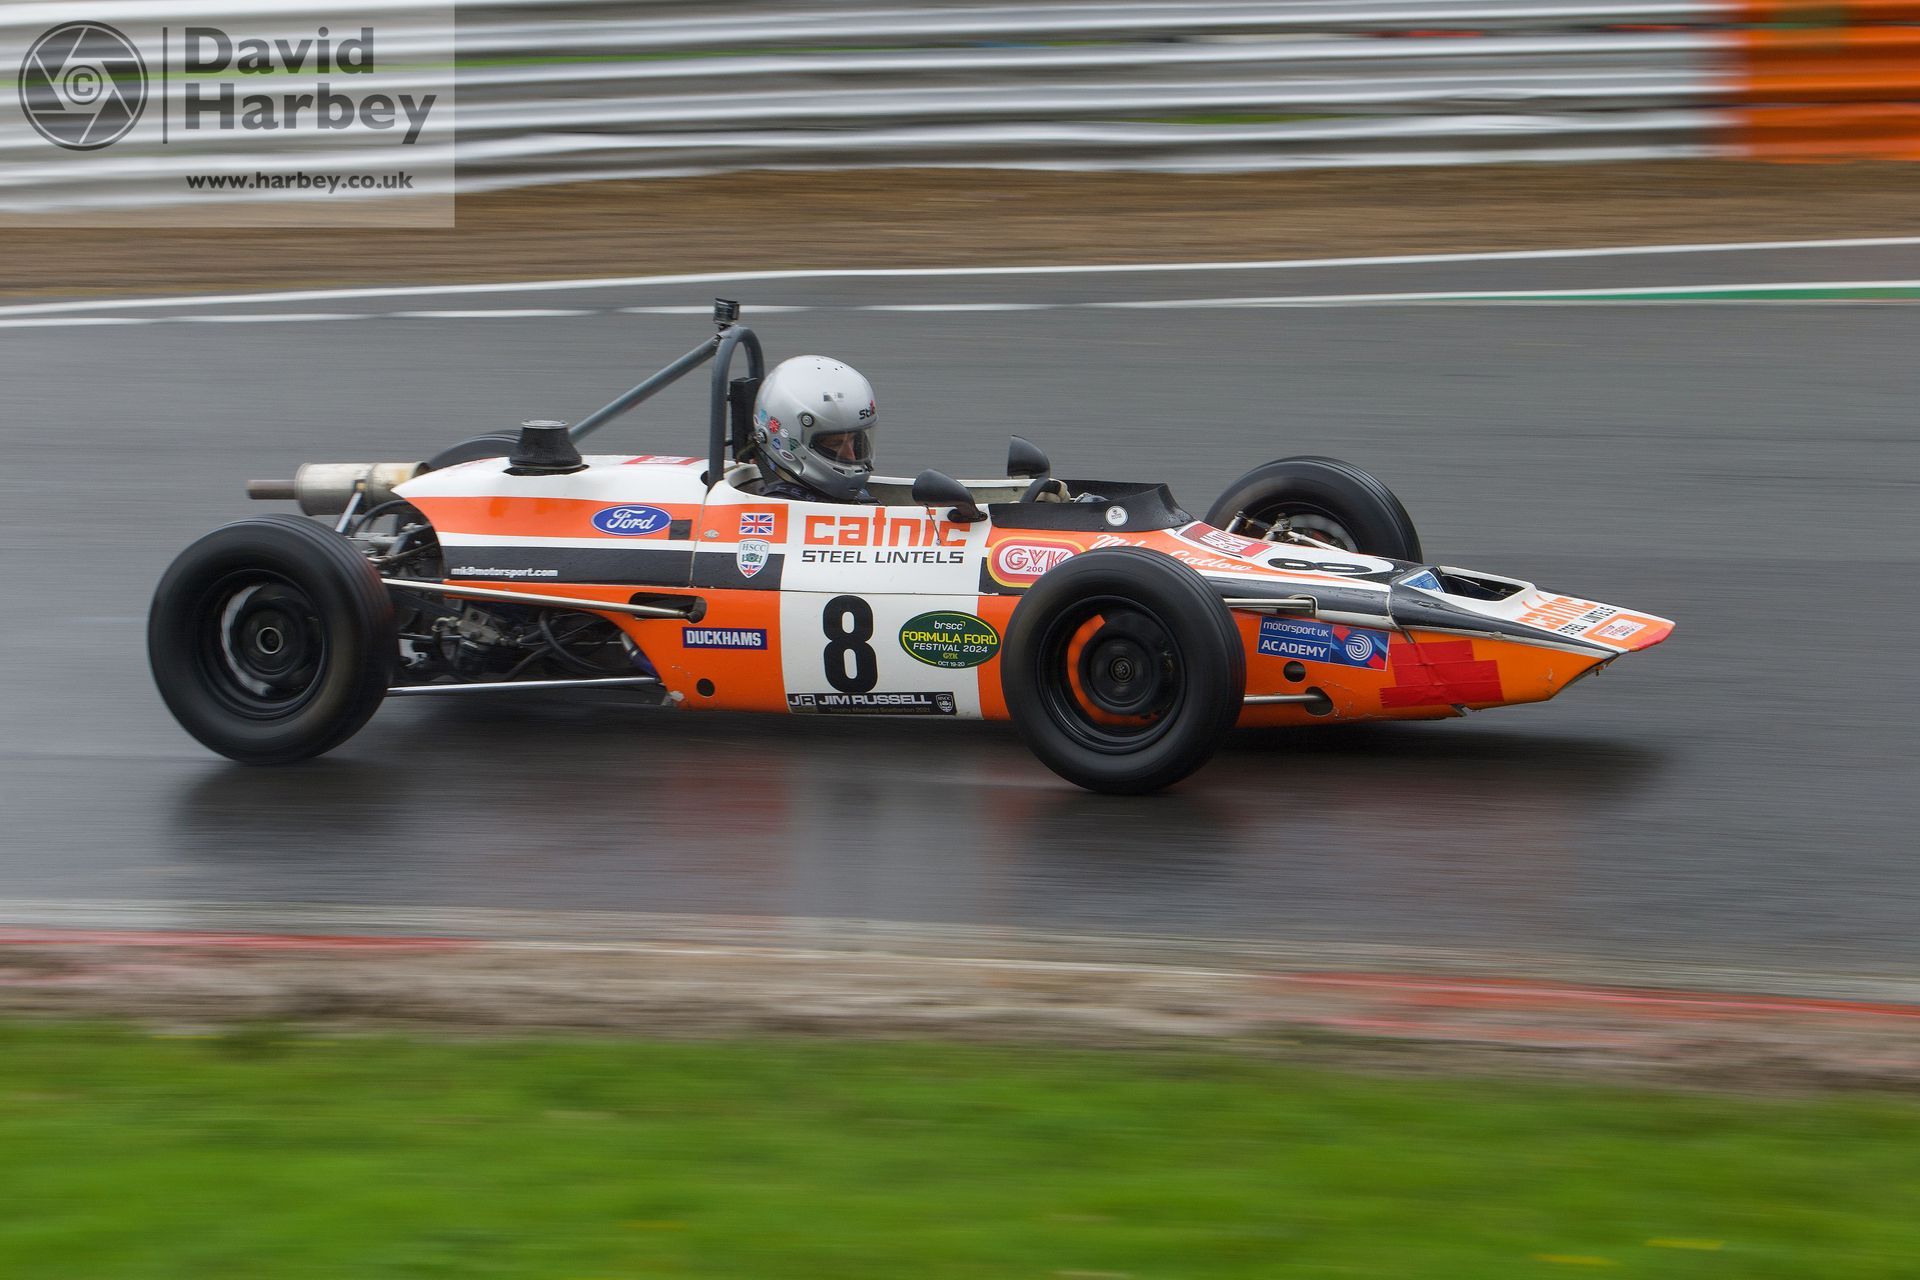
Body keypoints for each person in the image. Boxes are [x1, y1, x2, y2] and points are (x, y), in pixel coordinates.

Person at [748, 355, 878, 503]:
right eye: (835, 443)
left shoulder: (859, 498)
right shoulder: (781, 511)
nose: (851, 456)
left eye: (855, 439)